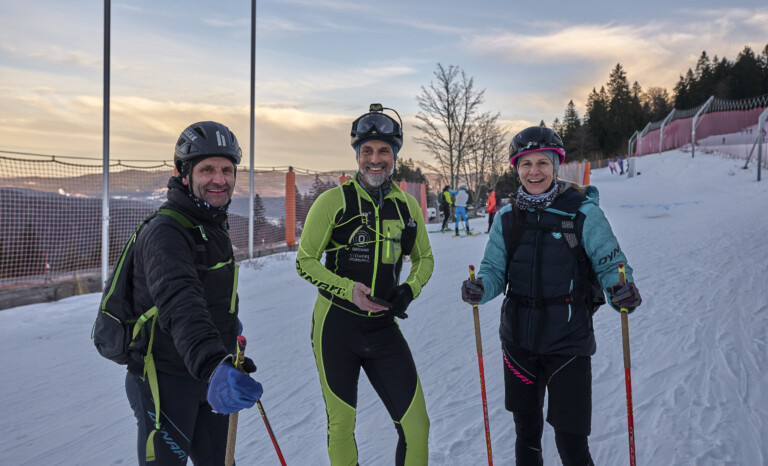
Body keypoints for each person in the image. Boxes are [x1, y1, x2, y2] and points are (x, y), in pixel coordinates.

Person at [461, 126, 642, 465]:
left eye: (542, 163)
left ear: (555, 165)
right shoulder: (507, 218)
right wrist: (481, 287)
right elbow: (494, 270)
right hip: (518, 341)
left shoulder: (583, 213)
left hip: (568, 342)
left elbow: (610, 263)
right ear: (516, 168)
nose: (534, 172)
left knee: (571, 442)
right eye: (526, 164)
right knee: (526, 435)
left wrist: (621, 288)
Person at [296, 104, 434, 466]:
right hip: (336, 327)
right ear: (357, 155)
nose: (375, 160)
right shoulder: (334, 202)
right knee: (341, 426)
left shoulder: (406, 207)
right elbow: (305, 260)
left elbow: (425, 259)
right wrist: (347, 289)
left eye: (384, 151)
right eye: (367, 151)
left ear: (395, 156)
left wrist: (408, 290)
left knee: (417, 427)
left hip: (383, 329)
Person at [124, 121, 263, 465]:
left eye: (227, 170)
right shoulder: (165, 231)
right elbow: (180, 302)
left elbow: (208, 293)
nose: (219, 179)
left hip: (207, 371)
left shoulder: (210, 223)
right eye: (207, 170)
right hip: (166, 380)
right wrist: (214, 365)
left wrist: (226, 333)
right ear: (184, 174)